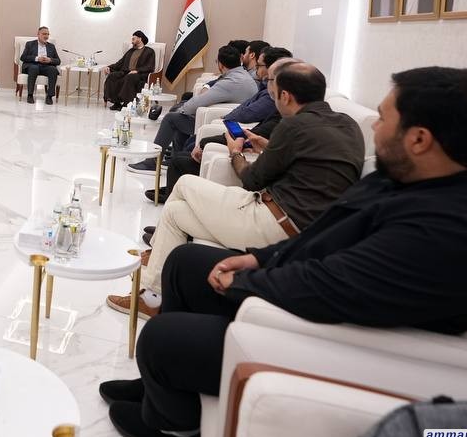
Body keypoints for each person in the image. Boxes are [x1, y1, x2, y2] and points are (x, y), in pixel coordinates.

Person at [99, 67, 467, 437]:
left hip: (328, 336)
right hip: (308, 290)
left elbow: (335, 285)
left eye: (383, 118)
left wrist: (248, 283)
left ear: (419, 139)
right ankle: (159, 389)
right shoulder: (412, 181)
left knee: (162, 339)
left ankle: (174, 426)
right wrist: (259, 259)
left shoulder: (463, 232)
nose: (375, 127)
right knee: (185, 263)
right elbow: (325, 235)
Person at [109, 62, 364, 318]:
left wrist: (235, 153)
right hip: (305, 231)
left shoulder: (294, 126)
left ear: (286, 96)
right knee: (175, 213)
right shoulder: (348, 125)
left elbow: (252, 179)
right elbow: (310, 166)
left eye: (274, 90)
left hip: (272, 224)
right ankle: (153, 295)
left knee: (185, 183)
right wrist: (269, 147)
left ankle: (153, 274)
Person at [143, 50, 297, 205]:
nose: (257, 69)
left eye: (260, 66)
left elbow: (249, 121)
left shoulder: (279, 112)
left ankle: (158, 170)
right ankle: (174, 188)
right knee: (184, 138)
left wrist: (218, 135)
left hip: (245, 165)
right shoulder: (259, 89)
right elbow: (245, 111)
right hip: (238, 139)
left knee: (176, 124)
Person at [129, 44, 257, 172]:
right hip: (234, 124)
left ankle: (152, 162)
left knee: (171, 118)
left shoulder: (230, 82)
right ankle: (176, 159)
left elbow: (195, 104)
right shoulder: (244, 76)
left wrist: (182, 109)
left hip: (218, 124)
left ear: (221, 65)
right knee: (181, 115)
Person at [102, 30, 157, 110]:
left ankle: (127, 104)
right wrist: (109, 67)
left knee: (130, 77)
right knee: (112, 76)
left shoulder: (149, 51)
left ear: (140, 39)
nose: (132, 41)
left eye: (133, 39)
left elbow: (150, 66)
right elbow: (120, 63)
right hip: (126, 73)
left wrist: (137, 70)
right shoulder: (131, 51)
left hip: (140, 74)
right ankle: (117, 102)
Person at [19, 27, 61, 105]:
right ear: (38, 34)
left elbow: (58, 61)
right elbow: (23, 57)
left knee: (53, 69)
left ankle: (49, 96)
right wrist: (37, 58)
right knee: (34, 68)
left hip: (46, 67)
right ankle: (30, 95)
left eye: (48, 34)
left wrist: (50, 60)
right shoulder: (30, 44)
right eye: (44, 34)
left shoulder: (51, 46)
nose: (46, 36)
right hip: (33, 65)